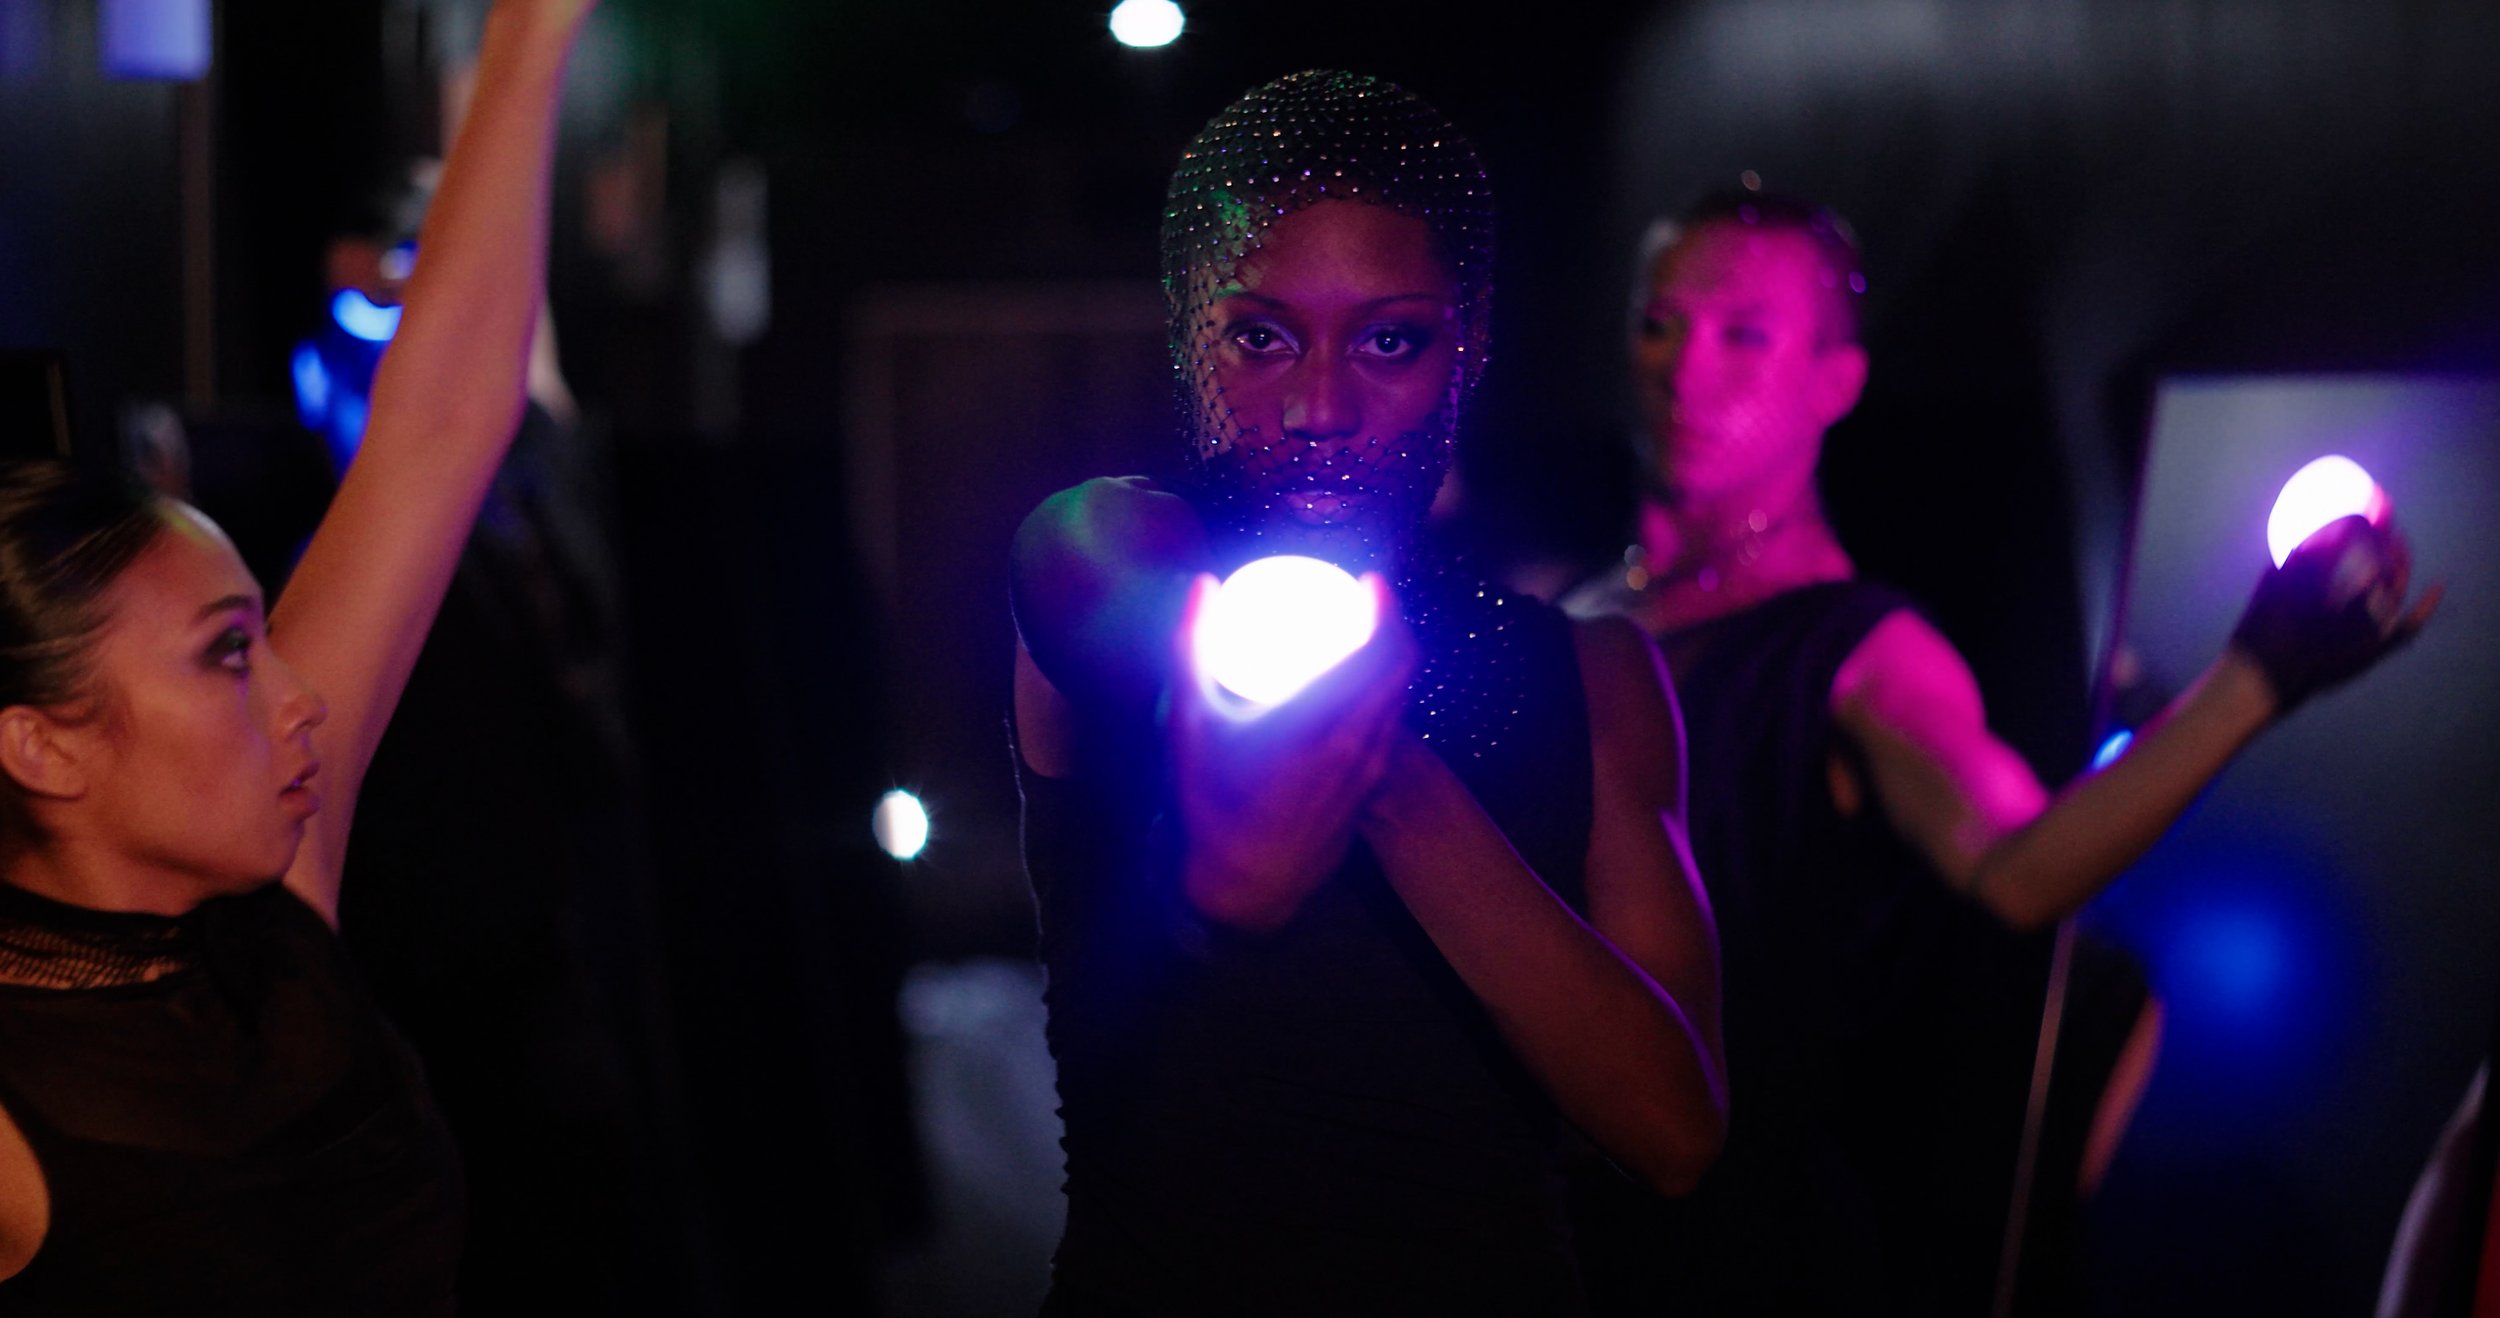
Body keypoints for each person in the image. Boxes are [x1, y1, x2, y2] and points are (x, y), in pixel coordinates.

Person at [1563, 187, 2439, 1315]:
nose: (1687, 368)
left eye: (1743, 333)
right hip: (1537, 1208)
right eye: (1659, 322)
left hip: (1717, 1247)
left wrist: (2254, 682)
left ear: (1835, 379)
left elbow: (2020, 868)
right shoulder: (1568, 616)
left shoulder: (1861, 649)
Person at [1011, 70, 1728, 1315]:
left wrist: (1385, 776)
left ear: (1473, 339)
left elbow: (1671, 1130)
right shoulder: (1102, 547)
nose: (1321, 407)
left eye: (1389, 339)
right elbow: (1240, 848)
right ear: (1189, 329)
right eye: (1260, 336)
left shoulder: (1591, 670)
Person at [0, 1, 595, 1310]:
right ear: (39, 741)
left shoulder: (279, 928)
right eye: (226, 655)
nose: (298, 700)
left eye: (265, 638)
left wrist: (534, 35)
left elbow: (439, 424)